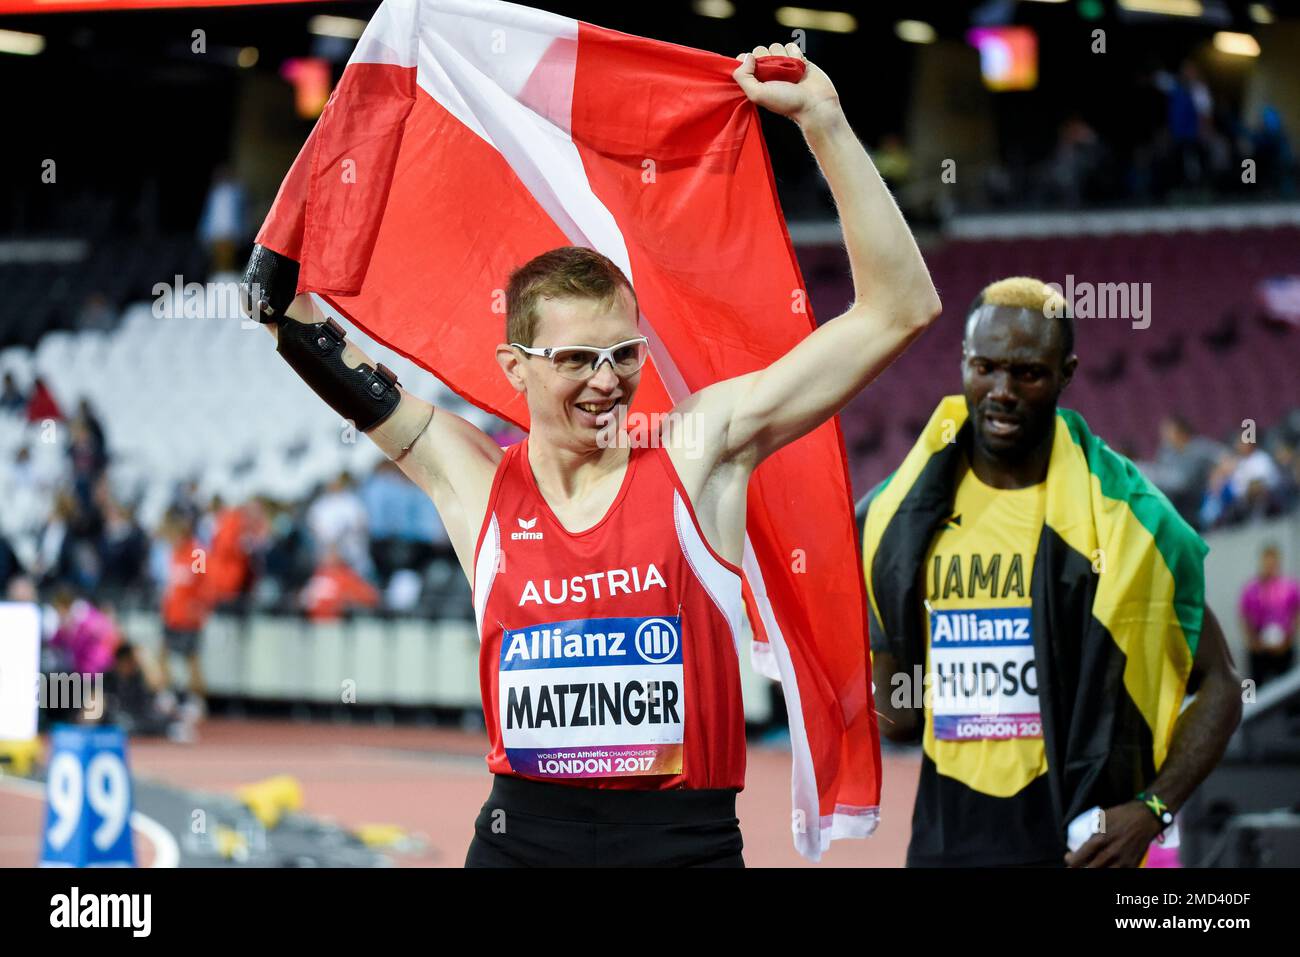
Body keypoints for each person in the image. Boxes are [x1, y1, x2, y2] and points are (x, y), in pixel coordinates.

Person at [241, 42, 940, 867]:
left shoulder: (696, 452)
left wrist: (824, 123)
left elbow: (900, 308)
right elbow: (288, 314)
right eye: (576, 361)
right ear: (516, 368)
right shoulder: (473, 480)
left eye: (625, 354)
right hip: (521, 841)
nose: (609, 383)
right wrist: (336, 154)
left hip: (681, 844)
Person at [862, 277, 1242, 868]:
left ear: (1066, 372)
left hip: (1079, 847)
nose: (1001, 391)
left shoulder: (1126, 523)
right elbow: (900, 721)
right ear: (964, 362)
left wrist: (1153, 810)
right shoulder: (901, 519)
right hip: (945, 844)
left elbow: (1221, 684)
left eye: (1028, 373)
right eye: (984, 367)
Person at [158, 509, 214, 715]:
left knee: (192, 660)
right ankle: (168, 696)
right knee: (163, 654)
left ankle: (197, 700)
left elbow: (204, 583)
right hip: (172, 614)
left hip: (189, 617)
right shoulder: (174, 553)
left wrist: (200, 607)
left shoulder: (197, 553)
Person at [1239, 543, 1299, 689]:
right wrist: (1253, 641)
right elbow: (1244, 616)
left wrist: (1289, 639)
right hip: (1258, 644)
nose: (1269, 566)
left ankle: (1292, 712)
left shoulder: (1289, 587)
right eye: (1266, 562)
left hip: (1283, 644)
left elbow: (1296, 612)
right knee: (1252, 684)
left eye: (1273, 562)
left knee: (1287, 687)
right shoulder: (1251, 589)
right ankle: (1249, 710)